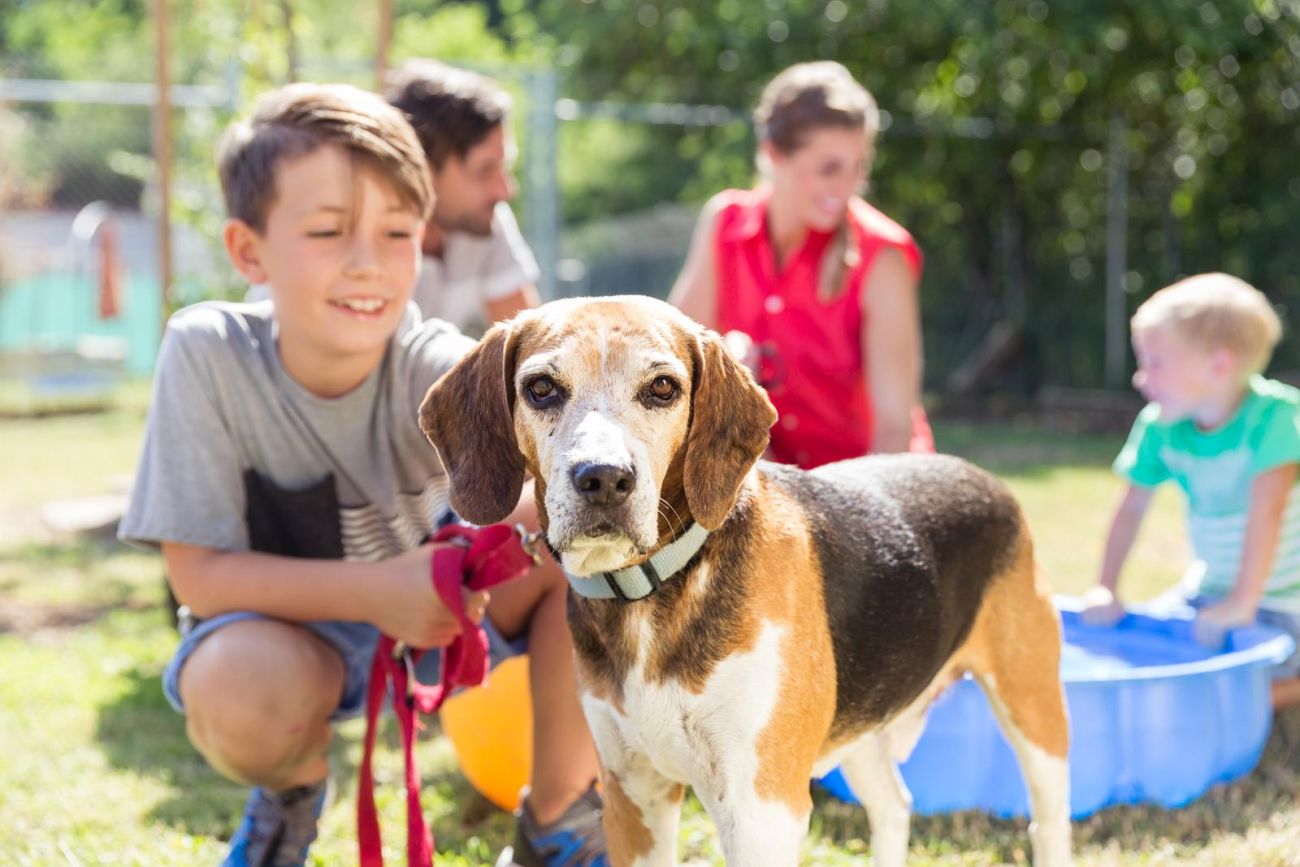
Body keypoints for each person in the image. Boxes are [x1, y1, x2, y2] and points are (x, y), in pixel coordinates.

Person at [118, 83, 606, 867]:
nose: (368, 264)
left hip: (449, 618)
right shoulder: (207, 352)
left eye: (396, 232)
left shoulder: (440, 364)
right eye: (327, 230)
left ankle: (561, 817)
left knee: (584, 553)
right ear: (248, 251)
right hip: (290, 636)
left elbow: (538, 473)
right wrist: (380, 592)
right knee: (234, 688)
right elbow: (199, 578)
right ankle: (291, 792)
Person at [669, 60, 933, 469]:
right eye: (829, 169)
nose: (846, 188)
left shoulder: (883, 256)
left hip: (864, 486)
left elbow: (894, 431)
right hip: (766, 479)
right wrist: (729, 365)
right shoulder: (725, 223)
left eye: (858, 167)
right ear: (773, 153)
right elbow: (674, 363)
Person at [1081, 273, 1300, 710]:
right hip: (1209, 592)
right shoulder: (1161, 425)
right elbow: (1131, 506)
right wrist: (1106, 586)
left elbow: (1268, 511)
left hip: (1287, 603)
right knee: (1148, 654)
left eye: (1156, 362)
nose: (1141, 378)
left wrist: (1243, 603)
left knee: (1237, 687)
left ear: (1219, 365)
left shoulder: (1276, 419)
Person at [386, 59, 540, 337]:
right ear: (420, 169)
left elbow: (531, 344)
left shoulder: (486, 221)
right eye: (485, 170)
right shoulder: (368, 242)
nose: (505, 190)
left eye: (504, 167)